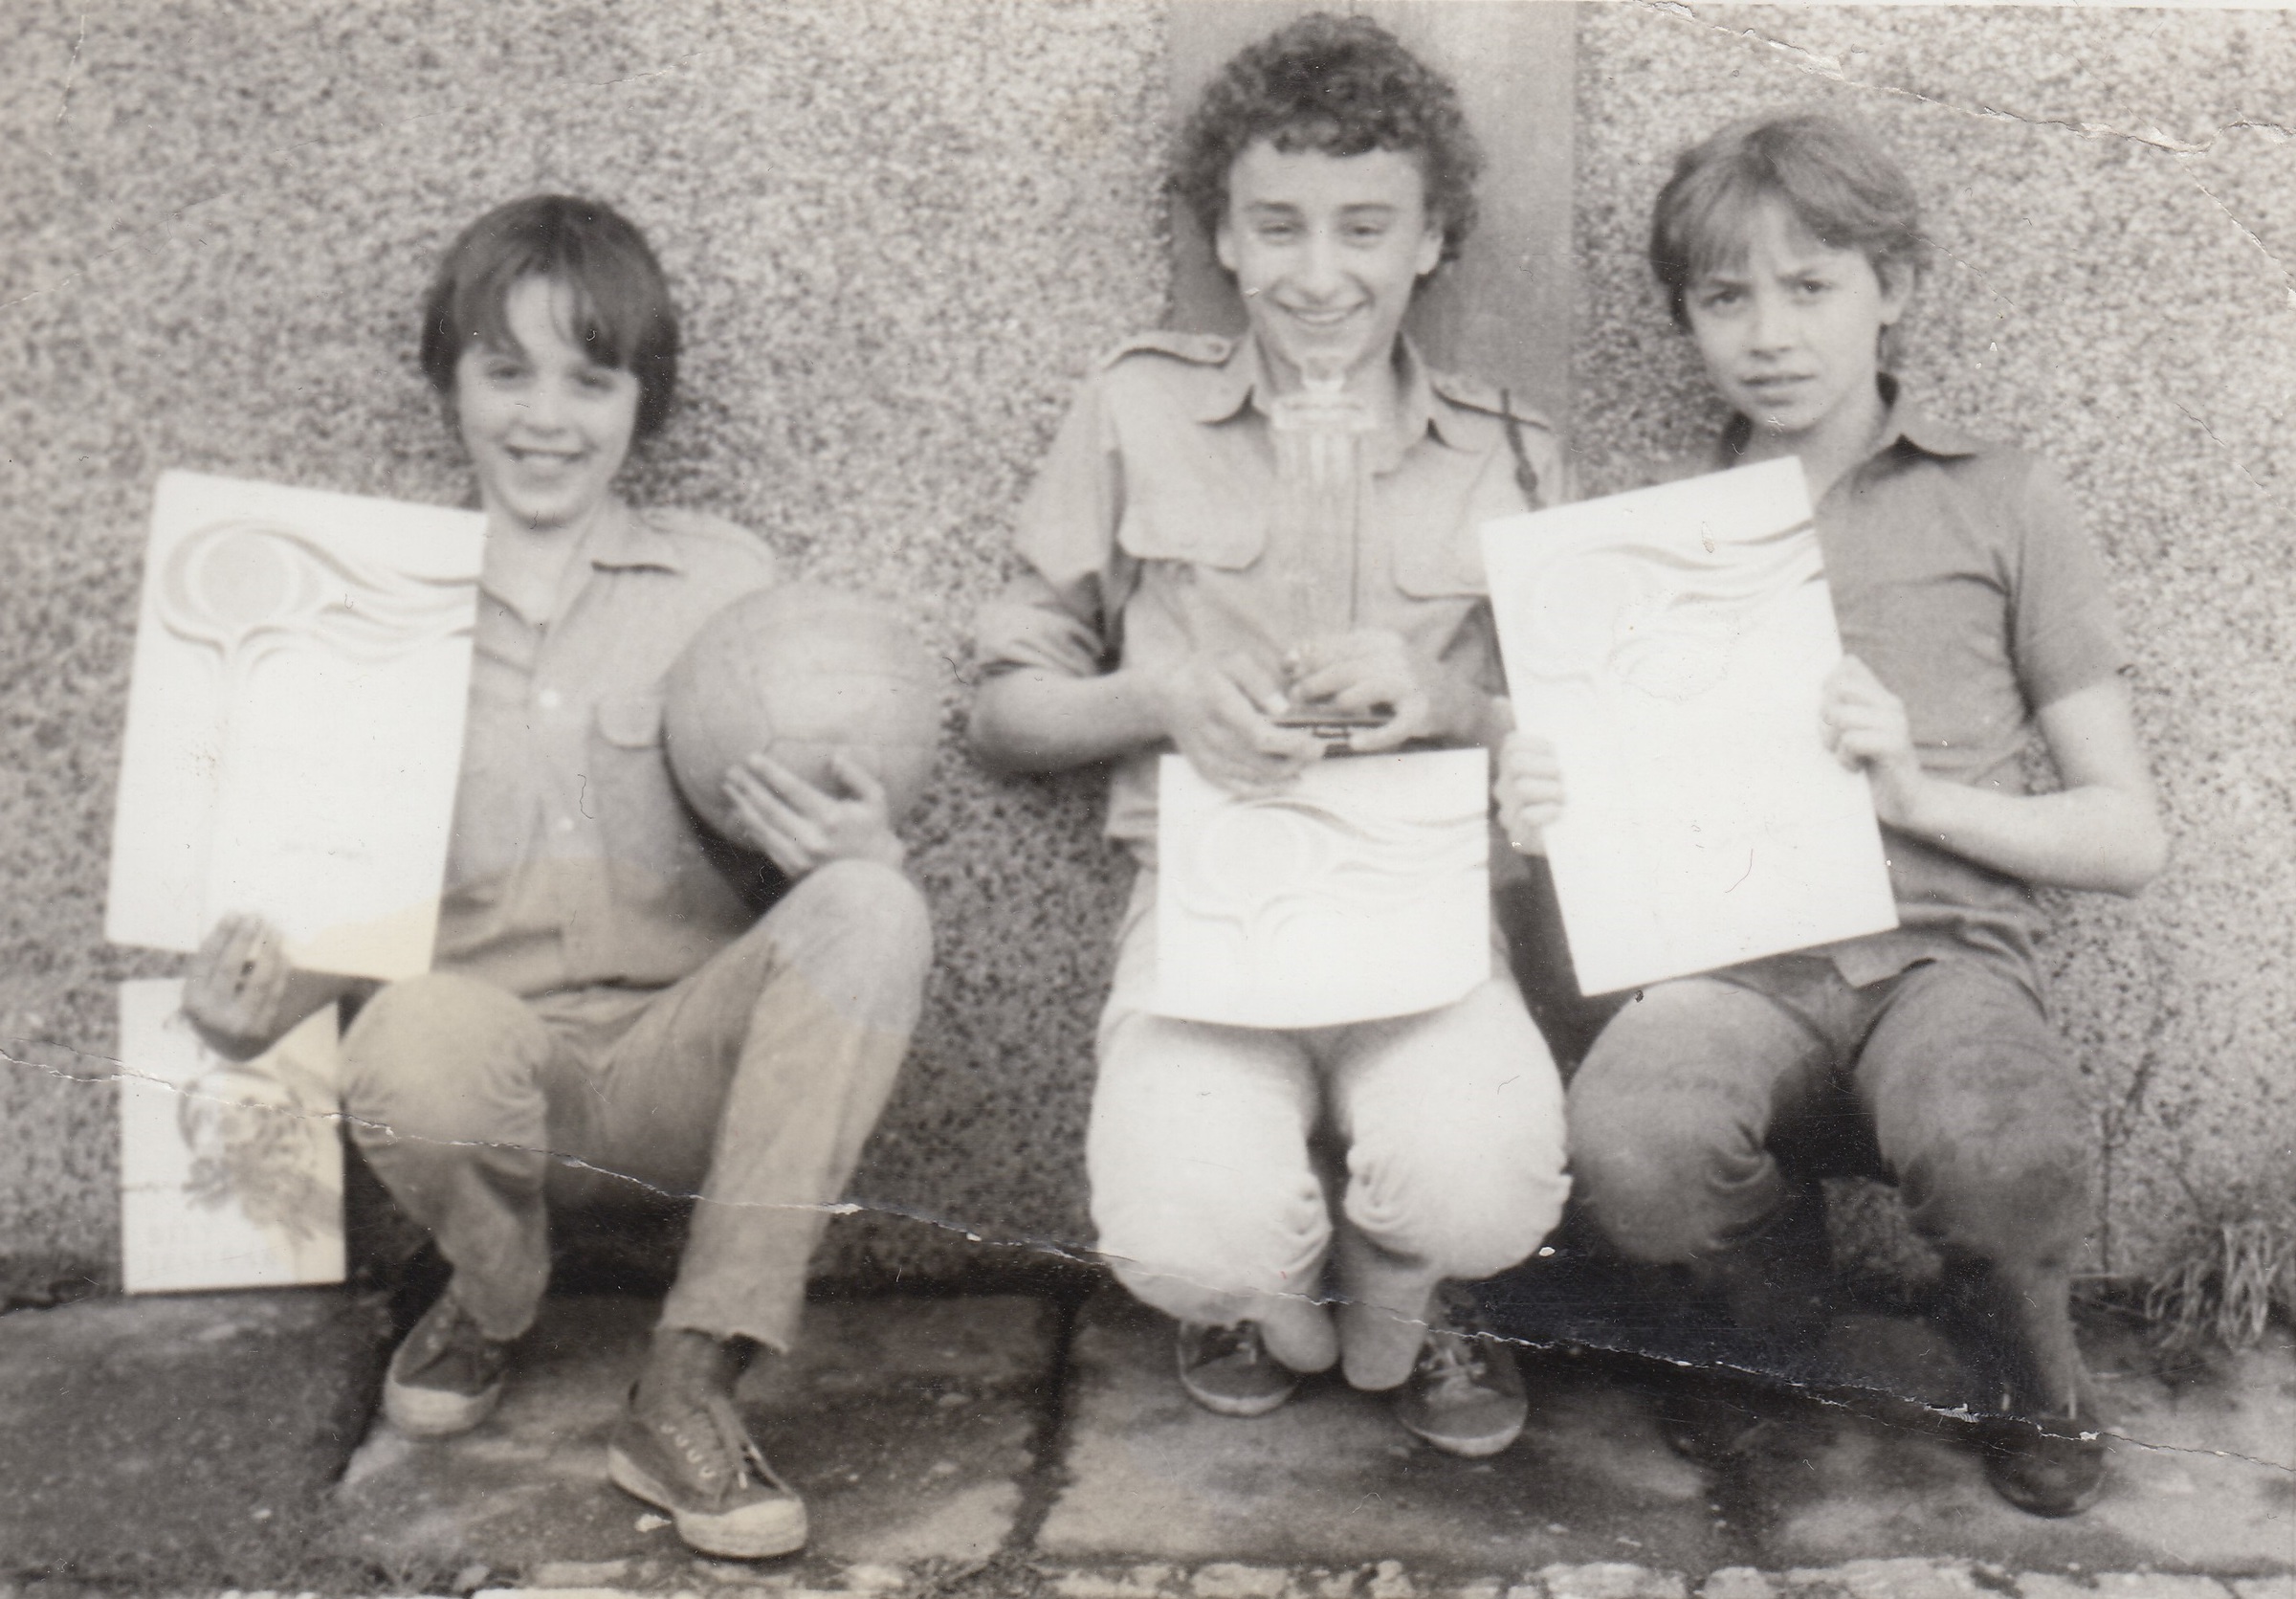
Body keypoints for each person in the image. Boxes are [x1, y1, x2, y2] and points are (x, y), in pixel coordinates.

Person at [183, 194, 933, 1560]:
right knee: (409, 1029)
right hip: (487, 1081)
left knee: (878, 910)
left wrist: (857, 849)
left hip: (677, 1076)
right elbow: (320, 904)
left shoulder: (725, 583)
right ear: (449, 384)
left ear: (645, 400)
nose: (546, 418)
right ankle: (494, 1289)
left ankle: (689, 1380)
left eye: (591, 380)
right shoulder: (367, 610)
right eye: (506, 371)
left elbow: (820, 841)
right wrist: (245, 1008)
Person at [1494, 112, 2166, 1517]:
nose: (1771, 335)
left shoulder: (2003, 500)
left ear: (1893, 288)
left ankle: (2020, 1359)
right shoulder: (1649, 545)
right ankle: (1768, 1332)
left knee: (2003, 1144)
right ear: (1686, 319)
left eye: (1812, 287)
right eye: (1725, 298)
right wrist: (1545, 809)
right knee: (1634, 1134)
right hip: (1736, 969)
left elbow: (2126, 835)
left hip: (1943, 961)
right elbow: (1605, 852)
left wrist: (1920, 794)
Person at [969, 13, 1570, 1459]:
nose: (1318, 273)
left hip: (1430, 918)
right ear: (1226, 238)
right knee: (1183, 1228)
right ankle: (1270, 1300)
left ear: (1432, 240)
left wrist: (1455, 710)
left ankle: (1405, 1278)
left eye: (1366, 227)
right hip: (1207, 907)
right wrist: (1162, 698)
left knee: (1489, 1184)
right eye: (1278, 225)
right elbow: (1003, 708)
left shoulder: (1513, 451)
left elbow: (1590, 739)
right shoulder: (1137, 408)